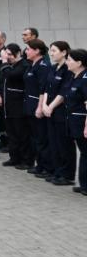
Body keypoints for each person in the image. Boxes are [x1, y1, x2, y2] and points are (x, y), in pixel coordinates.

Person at [41, 41, 76, 186]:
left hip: (60, 111)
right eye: (50, 50)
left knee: (64, 144)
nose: (51, 53)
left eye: (54, 50)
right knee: (54, 142)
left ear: (64, 52)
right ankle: (58, 171)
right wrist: (44, 105)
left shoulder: (68, 70)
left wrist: (51, 106)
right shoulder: (53, 68)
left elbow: (64, 91)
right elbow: (47, 89)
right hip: (50, 110)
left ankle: (67, 174)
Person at [0, 43, 34, 168]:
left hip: (19, 106)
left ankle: (26, 160)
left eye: (9, 54)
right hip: (8, 106)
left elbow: (11, 75)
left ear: (17, 53)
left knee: (22, 134)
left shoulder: (24, 65)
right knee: (11, 134)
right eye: (6, 55)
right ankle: (14, 158)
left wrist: (3, 61)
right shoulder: (9, 66)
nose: (7, 57)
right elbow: (2, 80)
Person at [24, 39, 53, 178]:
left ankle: (47, 167)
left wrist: (40, 107)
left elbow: (43, 88)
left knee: (42, 138)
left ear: (37, 51)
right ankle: (40, 164)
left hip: (37, 105)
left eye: (28, 49)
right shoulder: (31, 65)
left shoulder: (43, 66)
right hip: (29, 104)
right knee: (35, 137)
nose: (26, 51)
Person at [64, 49, 87, 196]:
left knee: (86, 153)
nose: (67, 62)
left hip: (82, 121)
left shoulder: (85, 79)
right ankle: (83, 183)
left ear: (79, 63)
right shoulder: (75, 76)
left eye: (70, 59)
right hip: (74, 120)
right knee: (84, 153)